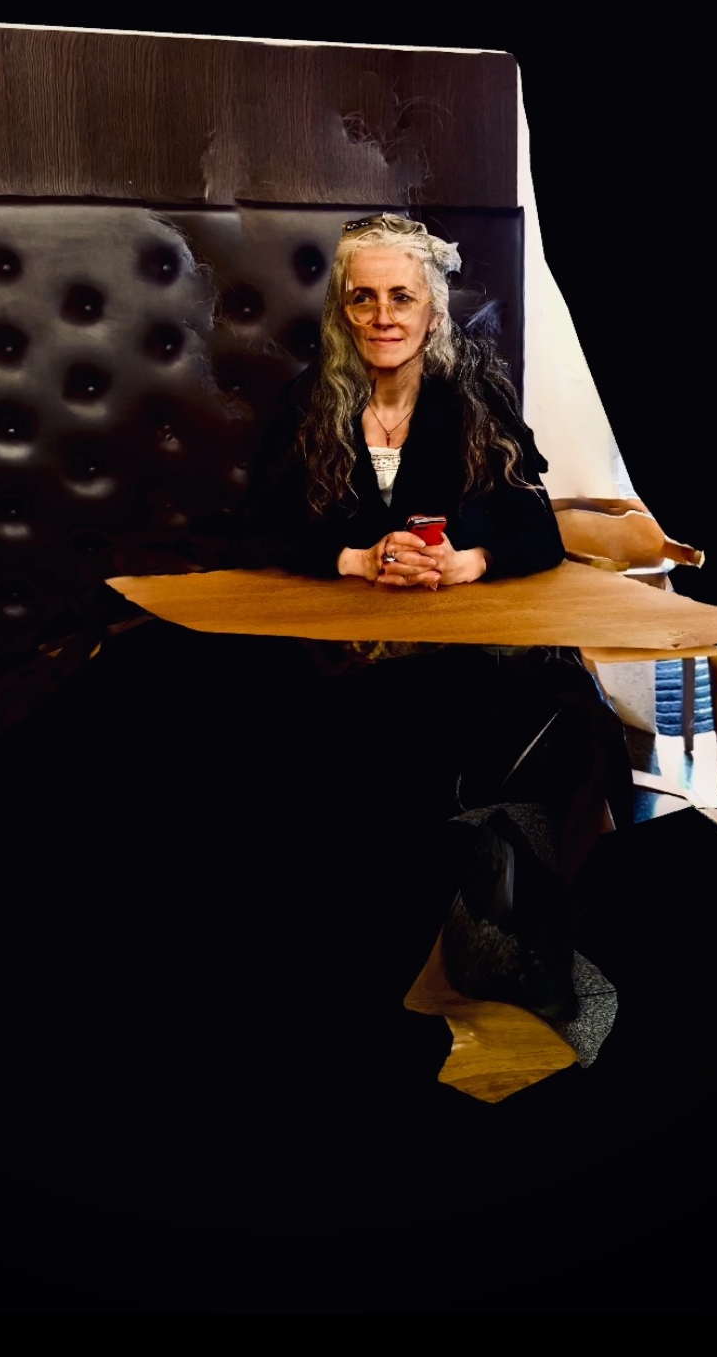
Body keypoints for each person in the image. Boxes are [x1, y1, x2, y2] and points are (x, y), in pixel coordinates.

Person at [234, 214, 634, 1012]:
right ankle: (358, 950)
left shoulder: (479, 399)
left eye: (402, 298)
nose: (384, 317)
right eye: (364, 299)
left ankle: (509, 946)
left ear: (431, 310)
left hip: (461, 646)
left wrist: (470, 561)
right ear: (342, 311)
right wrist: (353, 557)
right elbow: (256, 531)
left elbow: (537, 533)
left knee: (558, 721)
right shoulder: (307, 401)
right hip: (342, 651)